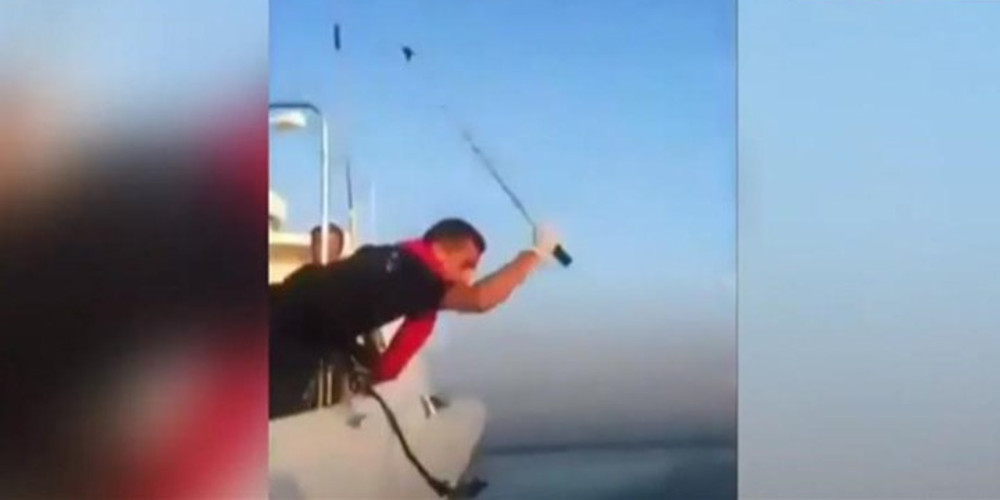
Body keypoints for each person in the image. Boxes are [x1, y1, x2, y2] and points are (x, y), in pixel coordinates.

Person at [269, 217, 560, 417]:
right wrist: (535, 255)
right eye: (467, 265)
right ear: (440, 252)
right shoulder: (420, 278)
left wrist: (374, 377)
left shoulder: (391, 257)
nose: (469, 277)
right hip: (281, 336)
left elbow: (396, 354)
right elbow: (480, 299)